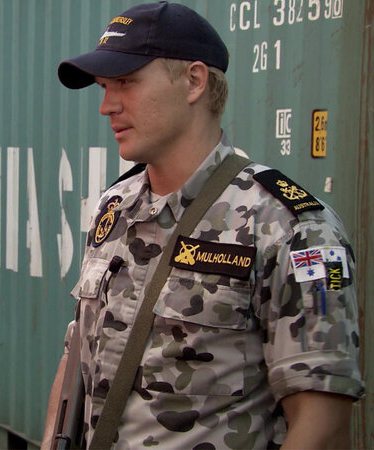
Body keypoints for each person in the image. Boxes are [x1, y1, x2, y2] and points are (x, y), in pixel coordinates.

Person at [44, 2, 364, 449]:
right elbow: (77, 353)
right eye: (103, 87)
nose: (106, 106)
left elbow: (322, 424)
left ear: (194, 81)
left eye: (125, 82)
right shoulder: (114, 208)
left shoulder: (289, 228)